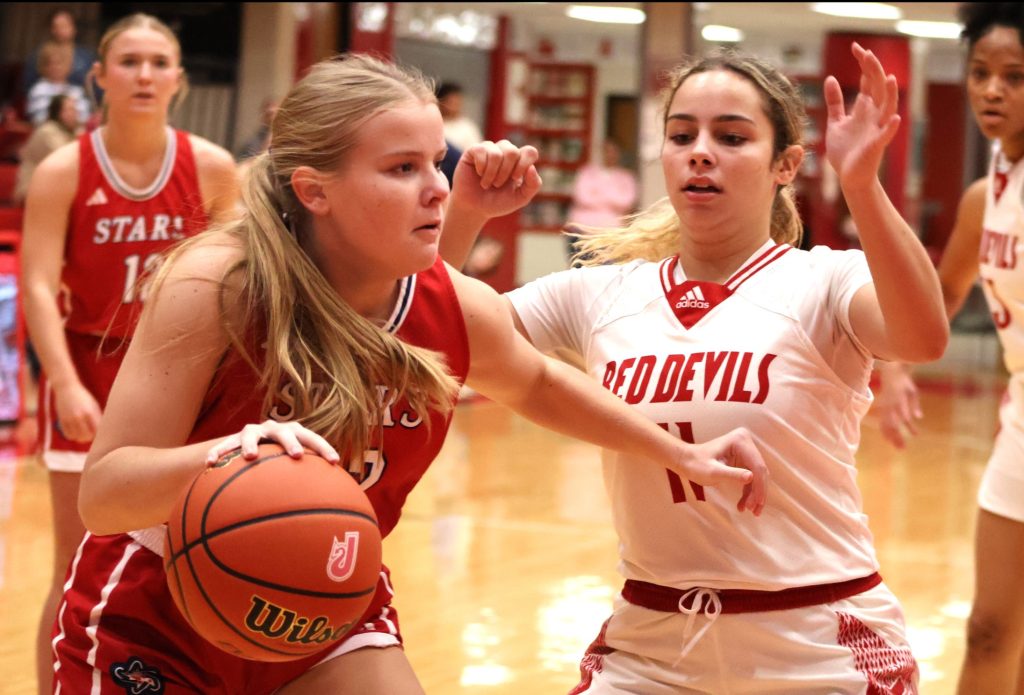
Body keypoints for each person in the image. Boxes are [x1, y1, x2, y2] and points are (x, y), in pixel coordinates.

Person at [52, 53, 768, 695]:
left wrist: (681, 453)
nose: (437, 189)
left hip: (326, 597)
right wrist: (232, 461)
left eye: (437, 162)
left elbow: (539, 383)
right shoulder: (221, 284)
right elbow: (105, 493)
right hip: (162, 607)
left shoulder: (452, 303)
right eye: (403, 169)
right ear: (314, 190)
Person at [476, 44, 944, 692]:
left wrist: (862, 186)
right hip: (652, 640)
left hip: (816, 640)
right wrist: (464, 214)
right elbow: (441, 337)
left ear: (785, 165)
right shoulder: (600, 294)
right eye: (681, 135)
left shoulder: (824, 280)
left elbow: (922, 336)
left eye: (731, 136)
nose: (700, 152)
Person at [19, 14, 239, 695]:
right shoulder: (63, 170)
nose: (145, 75)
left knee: (183, 559)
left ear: (179, 79)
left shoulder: (211, 167)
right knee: (74, 561)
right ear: (99, 76)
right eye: (130, 61)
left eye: (159, 62)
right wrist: (63, 381)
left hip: (183, 378)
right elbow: (35, 283)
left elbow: (238, 286)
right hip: (88, 370)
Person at [875, 4, 1024, 692]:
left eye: (1015, 76)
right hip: (1020, 421)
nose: (992, 89)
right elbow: (941, 293)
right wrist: (896, 364)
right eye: (980, 72)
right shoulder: (982, 196)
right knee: (991, 629)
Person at [14, 94, 80, 204]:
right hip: (31, 190)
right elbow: (68, 159)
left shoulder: (72, 131)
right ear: (57, 112)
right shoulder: (47, 131)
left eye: (75, 109)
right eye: (70, 109)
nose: (75, 113)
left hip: (52, 189)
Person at [22, 9, 98, 96]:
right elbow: (27, 86)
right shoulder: (38, 55)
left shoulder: (86, 57)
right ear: (51, 29)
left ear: (74, 28)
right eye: (56, 26)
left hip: (79, 100)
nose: (60, 30)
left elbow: (96, 87)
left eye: (65, 25)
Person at [24, 40, 90, 127]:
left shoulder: (77, 91)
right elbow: (39, 119)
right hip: (49, 129)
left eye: (59, 63)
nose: (54, 67)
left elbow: (85, 118)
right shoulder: (39, 89)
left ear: (68, 65)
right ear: (43, 67)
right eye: (49, 64)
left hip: (75, 130)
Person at [437, 81, 484, 152]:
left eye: (458, 102)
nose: (455, 106)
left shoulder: (468, 128)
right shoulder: (433, 124)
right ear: (441, 102)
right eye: (451, 102)